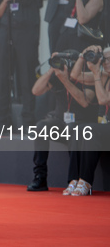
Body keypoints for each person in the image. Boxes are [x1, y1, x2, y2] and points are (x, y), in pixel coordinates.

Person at [26, 50, 98, 192]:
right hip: (60, 123)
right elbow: (36, 91)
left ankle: (75, 179)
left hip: (81, 124)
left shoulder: (87, 77)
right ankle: (40, 177)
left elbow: (85, 102)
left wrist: (66, 80)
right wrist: (51, 70)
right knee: (41, 126)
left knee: (73, 129)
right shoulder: (58, 75)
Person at [68, 46, 110, 196]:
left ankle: (86, 181)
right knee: (77, 128)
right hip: (105, 128)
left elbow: (104, 99)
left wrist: (97, 75)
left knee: (89, 129)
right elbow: (75, 75)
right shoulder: (104, 75)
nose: (105, 63)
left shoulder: (101, 76)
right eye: (104, 59)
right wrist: (82, 56)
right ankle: (74, 179)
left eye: (108, 59)